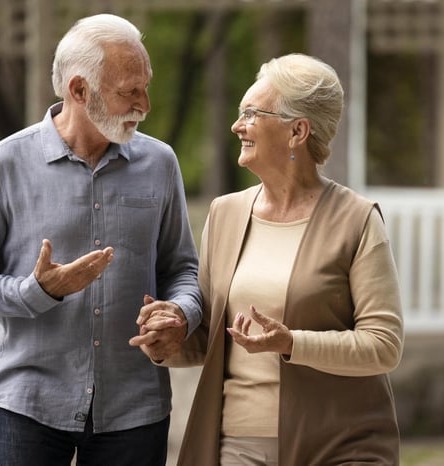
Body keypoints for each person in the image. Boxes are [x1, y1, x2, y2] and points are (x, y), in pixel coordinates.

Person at [0, 14, 201, 466]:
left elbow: (183, 270)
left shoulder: (161, 162)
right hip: (28, 406)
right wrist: (36, 292)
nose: (146, 104)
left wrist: (182, 313)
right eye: (129, 91)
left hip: (135, 409)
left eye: (146, 86)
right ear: (79, 91)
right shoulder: (2, 164)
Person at [132, 53, 404, 465]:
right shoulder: (224, 214)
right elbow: (211, 335)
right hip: (237, 445)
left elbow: (384, 345)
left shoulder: (357, 220)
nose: (237, 125)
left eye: (251, 114)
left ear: (297, 131)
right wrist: (170, 339)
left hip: (341, 445)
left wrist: (291, 343)